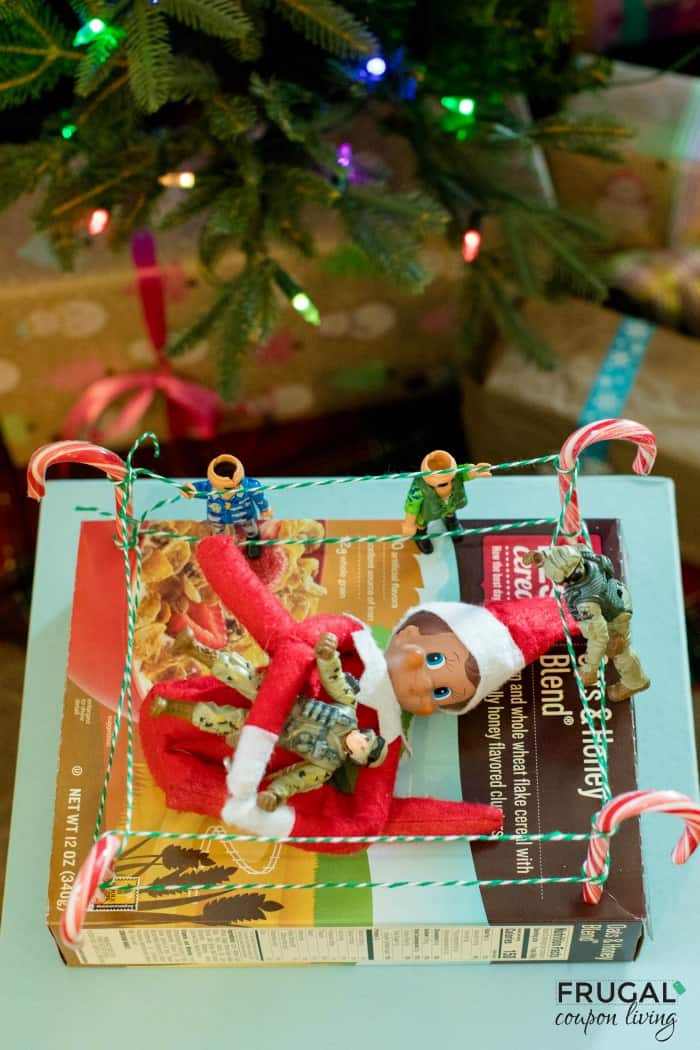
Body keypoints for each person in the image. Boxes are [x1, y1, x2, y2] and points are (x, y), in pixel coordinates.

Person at [150, 631, 388, 812]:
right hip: (279, 699)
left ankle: (170, 707)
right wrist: (327, 657)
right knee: (241, 674)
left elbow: (297, 780)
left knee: (223, 720)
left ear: (358, 759)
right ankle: (192, 647)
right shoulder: (348, 709)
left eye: (364, 749)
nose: (362, 742)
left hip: (267, 731)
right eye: (367, 738)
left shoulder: (325, 766)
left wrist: (276, 794)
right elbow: (335, 680)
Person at [522, 545, 650, 702]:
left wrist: (589, 669)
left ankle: (635, 682)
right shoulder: (584, 557)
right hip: (615, 596)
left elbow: (598, 638)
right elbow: (567, 555)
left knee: (618, 649)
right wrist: (542, 557)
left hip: (615, 615)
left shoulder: (586, 603)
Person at [182, 453, 271, 558]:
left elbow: (259, 497)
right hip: (217, 516)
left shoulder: (250, 486)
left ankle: (253, 540)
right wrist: (190, 489)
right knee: (218, 532)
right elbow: (196, 488)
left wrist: (264, 508)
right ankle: (220, 547)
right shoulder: (209, 487)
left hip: (244, 514)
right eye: (226, 489)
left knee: (251, 528)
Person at [402, 449, 491, 554]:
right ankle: (421, 533)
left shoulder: (456, 475)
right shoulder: (418, 488)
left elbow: (466, 473)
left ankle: (451, 521)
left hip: (450, 504)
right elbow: (411, 506)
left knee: (450, 511)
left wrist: (475, 471)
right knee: (421, 523)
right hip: (427, 512)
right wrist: (409, 524)